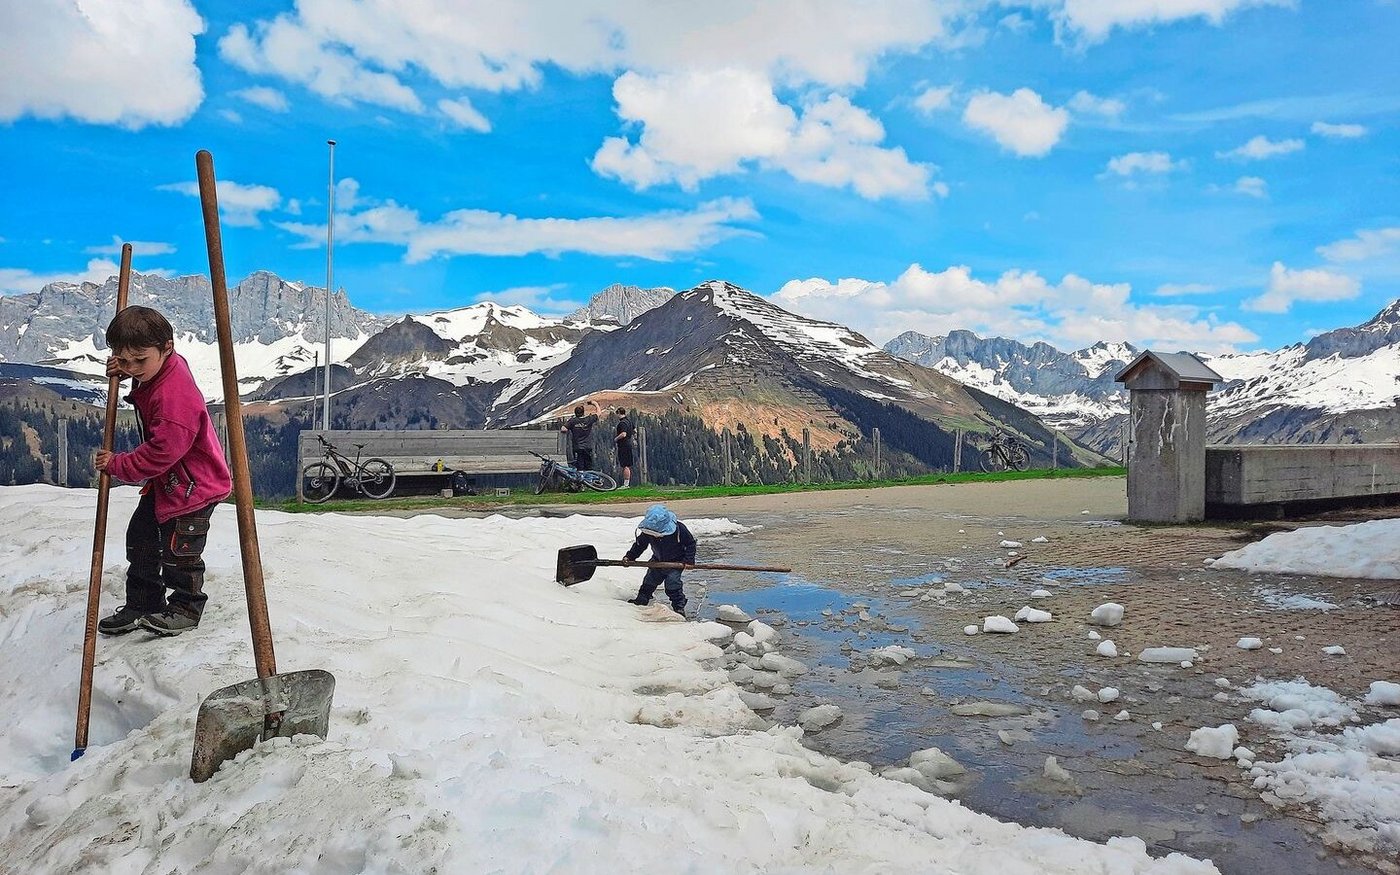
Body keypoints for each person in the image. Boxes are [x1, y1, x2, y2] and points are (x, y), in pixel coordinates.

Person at [94, 306, 232, 637]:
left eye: (139, 360)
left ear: (167, 347)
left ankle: (186, 606)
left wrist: (117, 464)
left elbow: (161, 453)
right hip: (169, 483)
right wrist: (127, 370)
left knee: (179, 550)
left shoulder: (175, 399)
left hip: (194, 487)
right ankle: (144, 603)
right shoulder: (163, 364)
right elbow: (145, 368)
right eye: (124, 360)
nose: (133, 368)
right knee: (141, 538)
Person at [623, 504, 695, 615]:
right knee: (649, 580)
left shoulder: (679, 529)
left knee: (672, 583)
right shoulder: (648, 532)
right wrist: (630, 556)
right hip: (657, 560)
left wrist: (689, 560)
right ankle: (642, 599)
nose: (656, 536)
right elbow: (639, 545)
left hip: (676, 562)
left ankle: (678, 606)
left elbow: (690, 544)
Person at [560, 399, 600, 470]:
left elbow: (563, 429)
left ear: (575, 413)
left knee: (579, 465)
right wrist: (595, 404)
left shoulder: (573, 421)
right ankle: (589, 479)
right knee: (588, 465)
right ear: (583, 413)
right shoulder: (589, 419)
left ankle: (580, 477)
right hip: (587, 446)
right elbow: (598, 413)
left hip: (577, 446)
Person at [615, 407, 634, 488]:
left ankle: (626, 484)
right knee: (627, 464)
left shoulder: (622, 423)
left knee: (625, 465)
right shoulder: (629, 421)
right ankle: (627, 483)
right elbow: (634, 430)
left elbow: (623, 434)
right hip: (629, 443)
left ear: (619, 413)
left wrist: (616, 438)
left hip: (623, 445)